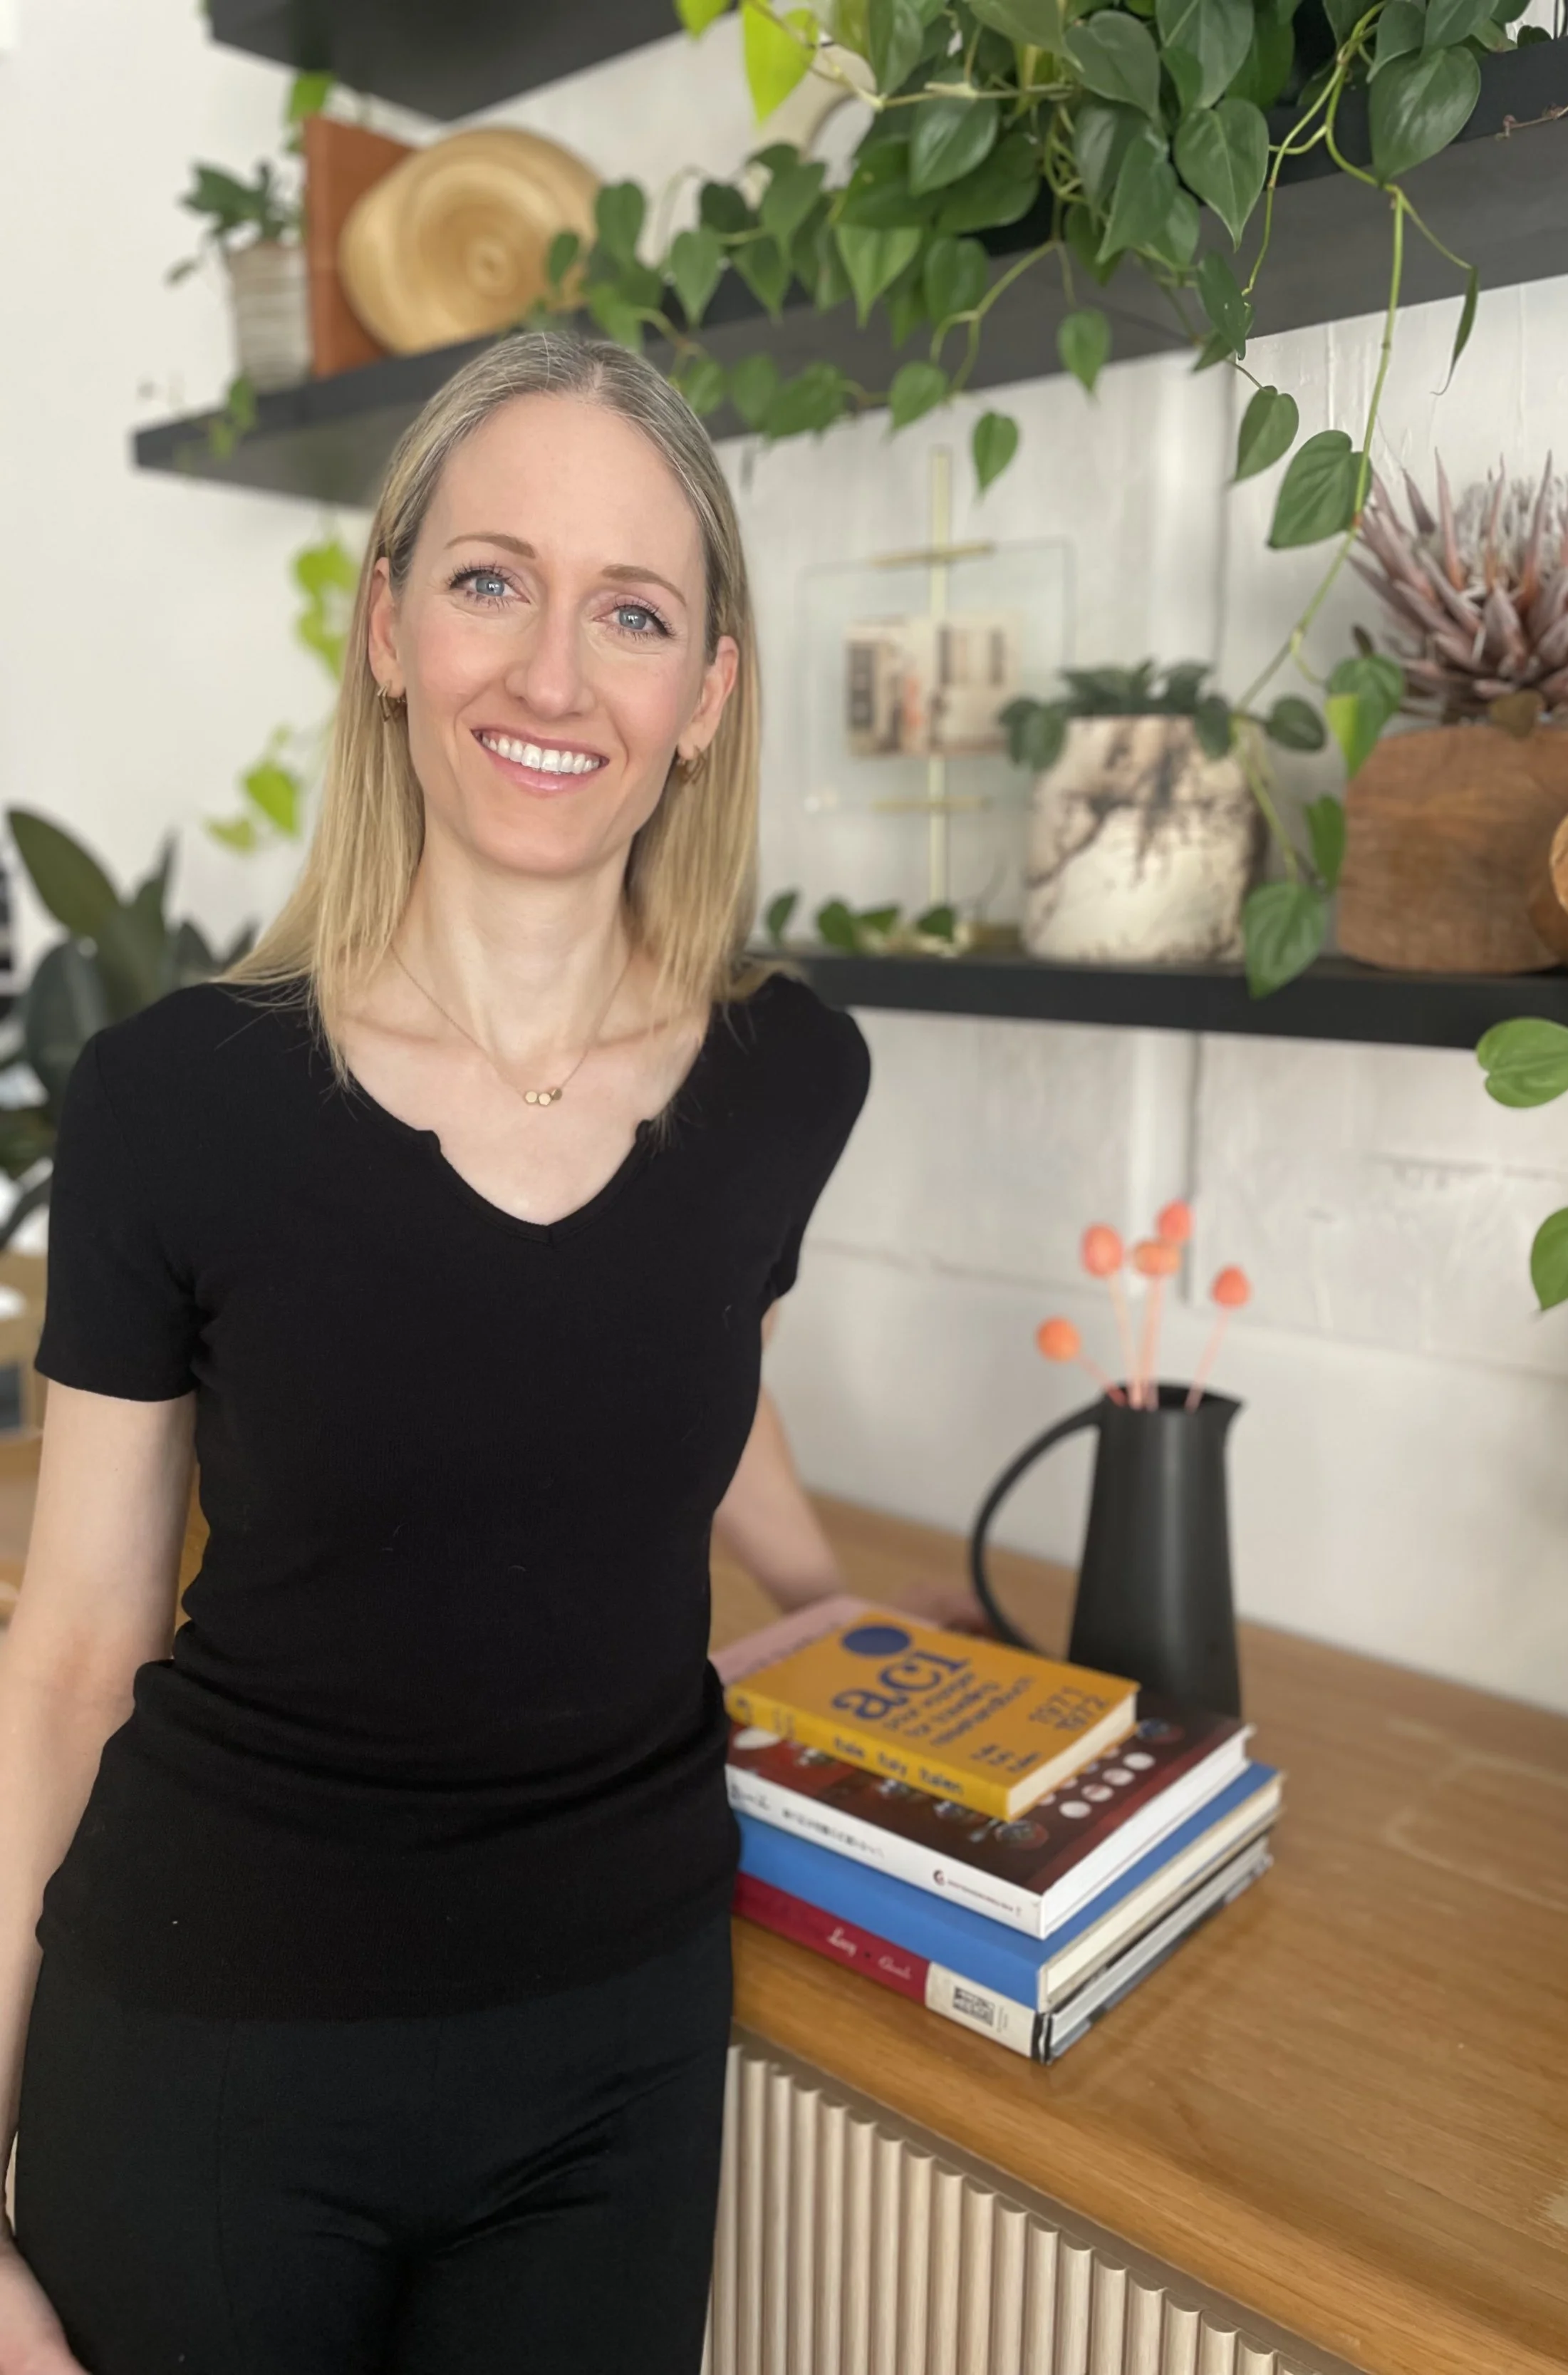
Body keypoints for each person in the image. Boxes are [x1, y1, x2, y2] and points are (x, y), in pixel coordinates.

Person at [0, 329, 967, 2375]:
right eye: (487, 580)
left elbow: (688, 1354)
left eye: (630, 610)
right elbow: (77, 1644)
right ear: (385, 628)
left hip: (611, 2055)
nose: (551, 675)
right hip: (207, 2040)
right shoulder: (176, 1098)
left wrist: (823, 1595)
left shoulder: (792, 1071)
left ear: (705, 693)